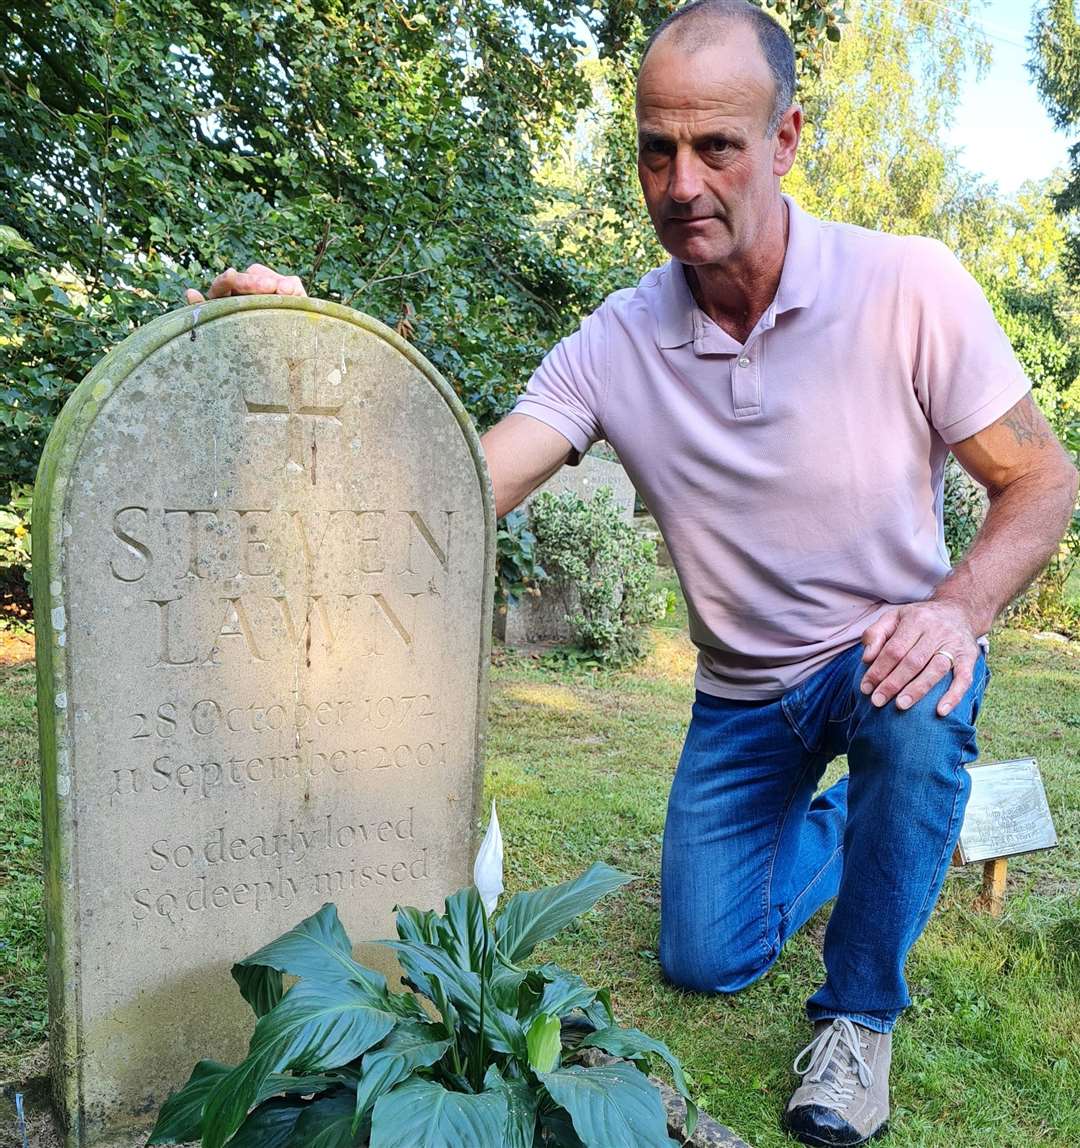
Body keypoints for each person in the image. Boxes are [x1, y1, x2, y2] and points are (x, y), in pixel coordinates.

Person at [187, 2, 1077, 1143]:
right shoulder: (614, 342)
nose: (681, 179)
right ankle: (877, 819)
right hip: (743, 697)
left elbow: (1042, 478)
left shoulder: (910, 286)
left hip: (880, 659)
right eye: (657, 147)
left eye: (718, 146)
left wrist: (959, 609)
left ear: (788, 138)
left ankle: (859, 1013)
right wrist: (314, 354)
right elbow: (459, 481)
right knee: (704, 955)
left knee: (920, 708)